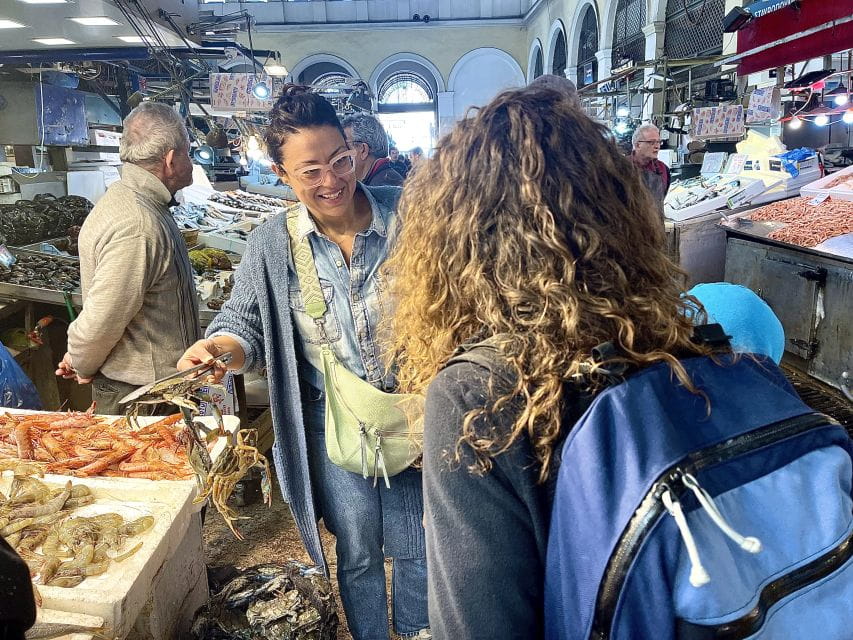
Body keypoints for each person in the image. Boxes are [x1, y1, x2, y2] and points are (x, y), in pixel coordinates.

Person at [384, 87, 708, 637]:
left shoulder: (477, 394)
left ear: (458, 236)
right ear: (619, 212)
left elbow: (479, 624)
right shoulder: (680, 348)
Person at [177, 86, 429, 640]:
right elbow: (244, 321)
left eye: (340, 160)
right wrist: (221, 349)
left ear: (356, 150)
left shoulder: (413, 219)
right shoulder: (273, 242)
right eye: (310, 171)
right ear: (282, 173)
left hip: (413, 417)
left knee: (418, 544)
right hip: (329, 421)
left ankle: (418, 634)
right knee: (357, 548)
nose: (331, 181)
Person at [56, 102, 200, 415]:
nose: (191, 160)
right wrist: (81, 361)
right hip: (145, 399)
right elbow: (100, 323)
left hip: (156, 390)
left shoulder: (139, 202)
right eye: (189, 152)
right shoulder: (138, 223)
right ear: (171, 160)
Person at [342, 113, 404, 186]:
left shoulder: (378, 190)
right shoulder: (388, 179)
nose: (341, 155)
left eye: (345, 147)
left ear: (363, 150)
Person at [631, 123, 670, 210]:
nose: (657, 146)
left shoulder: (663, 169)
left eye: (659, 142)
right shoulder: (621, 168)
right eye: (651, 142)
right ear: (638, 145)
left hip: (655, 222)